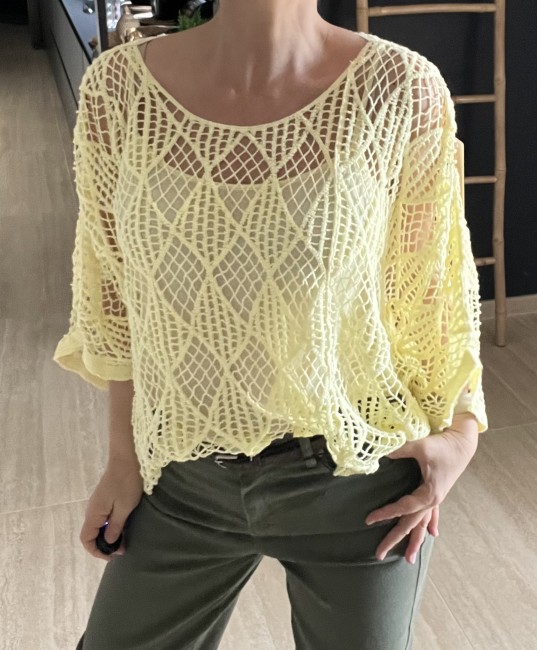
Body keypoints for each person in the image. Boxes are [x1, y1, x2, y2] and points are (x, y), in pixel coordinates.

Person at [53, 0, 488, 648]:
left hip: (356, 480)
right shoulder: (117, 91)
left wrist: (461, 436)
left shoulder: (400, 89)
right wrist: (122, 462)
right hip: (181, 477)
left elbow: (435, 294)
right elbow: (116, 301)